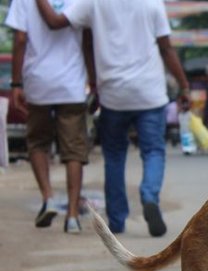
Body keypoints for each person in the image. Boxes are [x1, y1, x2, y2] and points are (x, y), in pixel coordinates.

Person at [35, 0, 190, 237]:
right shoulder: (152, 3)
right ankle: (149, 196)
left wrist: (94, 82)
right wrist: (184, 86)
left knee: (115, 156)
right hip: (149, 93)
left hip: (113, 95)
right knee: (153, 151)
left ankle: (117, 221)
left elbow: (58, 23)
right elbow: (166, 48)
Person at [5, 0, 94, 233]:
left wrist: (16, 83)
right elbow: (87, 41)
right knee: (74, 149)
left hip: (38, 82)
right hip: (72, 84)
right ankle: (73, 216)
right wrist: (93, 80)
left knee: (37, 143)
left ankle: (48, 197)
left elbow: (20, 39)